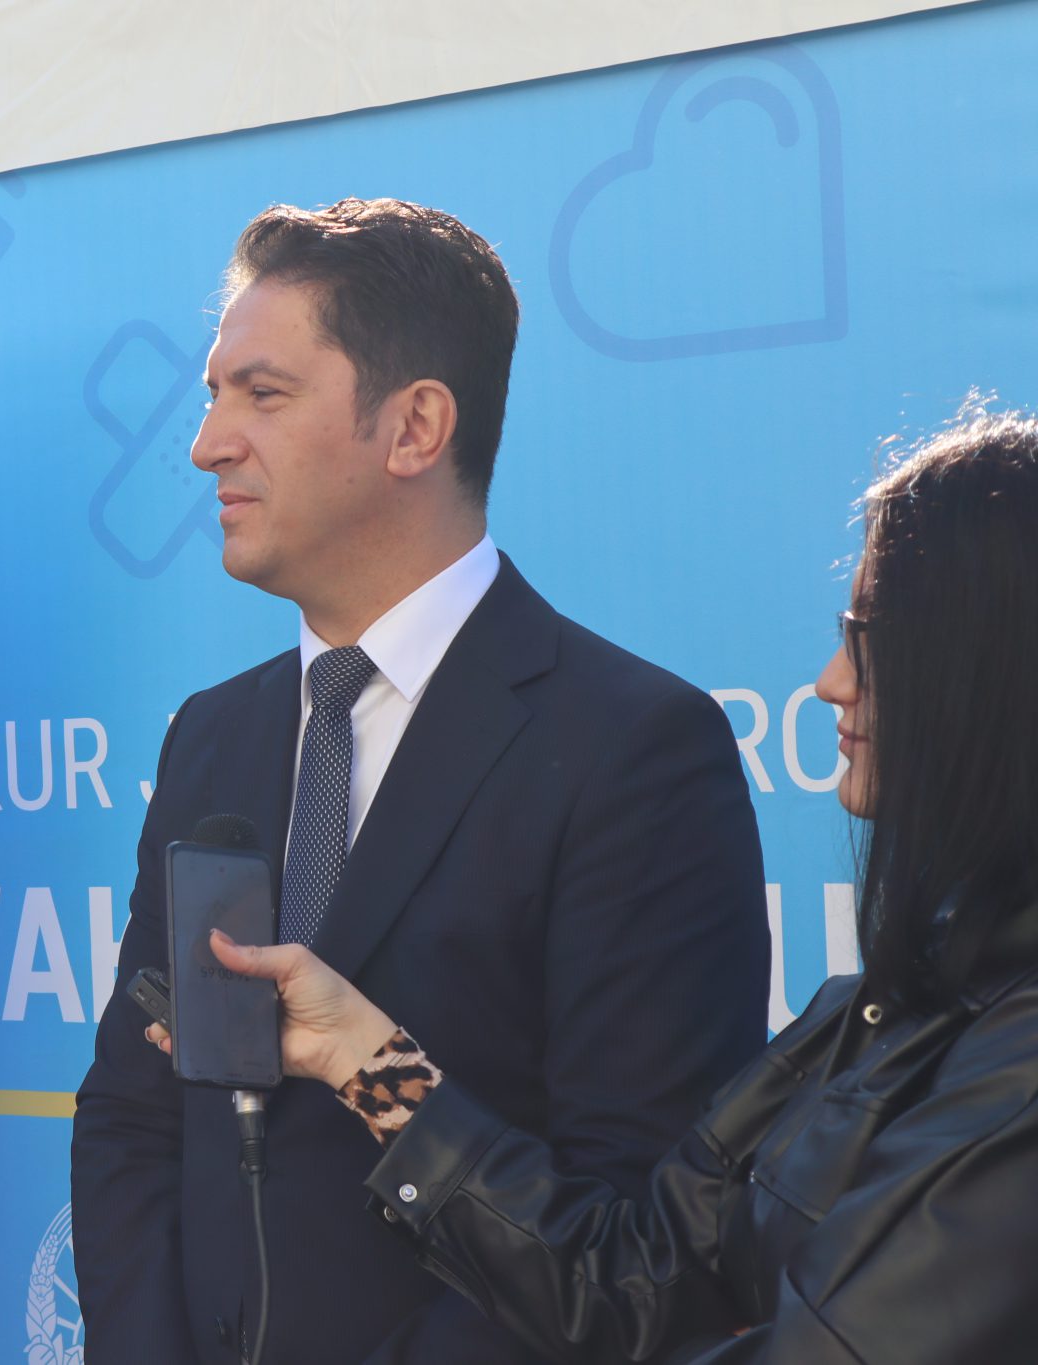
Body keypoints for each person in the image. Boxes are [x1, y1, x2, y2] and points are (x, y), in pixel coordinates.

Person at [69, 198, 771, 1365]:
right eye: (212, 395)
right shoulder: (210, 736)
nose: (206, 445)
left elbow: (635, 1222)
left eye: (261, 394)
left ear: (414, 428)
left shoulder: (633, 748)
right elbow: (134, 1122)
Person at [189, 409, 1038, 1363]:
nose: (834, 680)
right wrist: (363, 1056)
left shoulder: (1013, 1062)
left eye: (870, 633)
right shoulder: (878, 1007)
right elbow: (632, 1285)